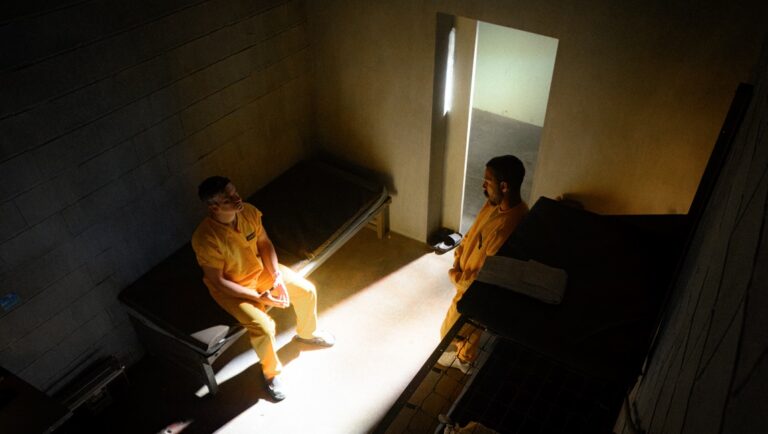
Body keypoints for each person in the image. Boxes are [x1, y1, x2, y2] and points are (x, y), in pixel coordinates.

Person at [191, 176, 335, 401]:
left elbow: (264, 243)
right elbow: (219, 281)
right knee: (264, 327)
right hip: (231, 289)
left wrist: (276, 276)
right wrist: (260, 297)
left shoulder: (248, 212)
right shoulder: (206, 238)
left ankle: (307, 334)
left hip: (260, 273)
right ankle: (271, 374)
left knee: (306, 290)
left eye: (234, 191)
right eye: (228, 198)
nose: (236, 198)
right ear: (213, 207)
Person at [438, 155, 529, 373]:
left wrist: (456, 276)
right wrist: (459, 255)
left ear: (504, 186)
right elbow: (472, 233)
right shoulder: (492, 205)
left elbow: (485, 276)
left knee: (452, 330)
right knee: (460, 330)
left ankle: (465, 362)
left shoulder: (507, 228)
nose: (483, 185)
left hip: (471, 289)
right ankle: (464, 354)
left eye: (488, 181)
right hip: (464, 281)